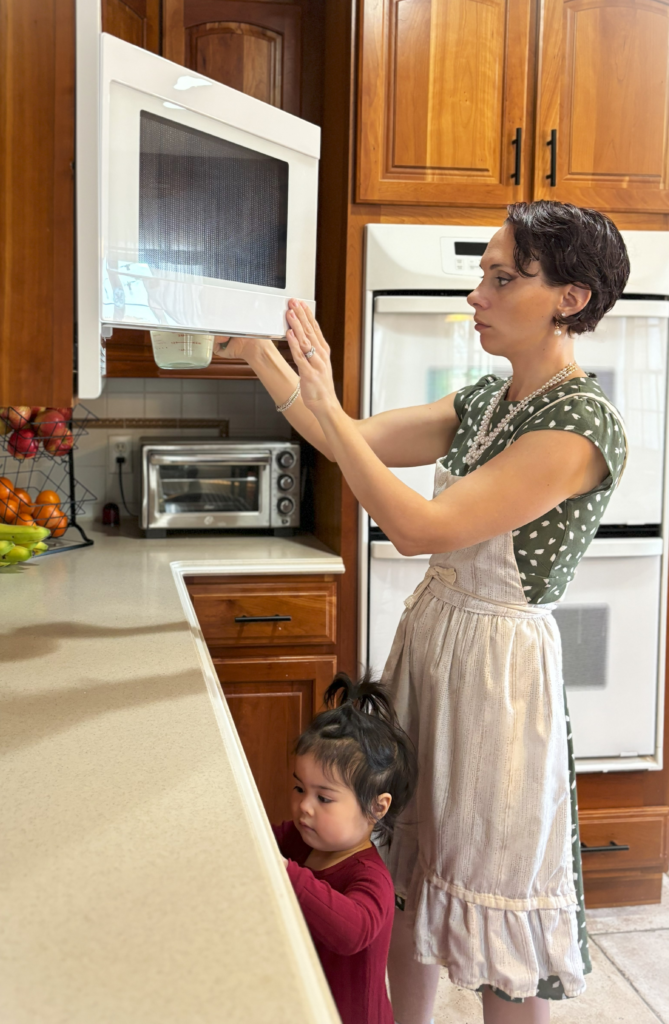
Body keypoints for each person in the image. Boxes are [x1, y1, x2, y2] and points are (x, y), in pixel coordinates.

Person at [216, 200, 630, 1022]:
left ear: (570, 299)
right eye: (482, 272)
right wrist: (261, 351)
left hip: (499, 678)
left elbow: (418, 527)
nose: (478, 293)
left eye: (503, 276)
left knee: (491, 887)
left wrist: (328, 399)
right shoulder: (485, 401)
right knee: (409, 872)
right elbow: (345, 440)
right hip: (435, 643)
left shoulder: (581, 423)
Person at [273, 672, 417, 1024]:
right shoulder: (299, 838)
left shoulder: (370, 878)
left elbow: (352, 931)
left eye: (324, 797)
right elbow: (259, 840)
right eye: (300, 789)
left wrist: (289, 874)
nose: (305, 806)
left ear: (376, 808)